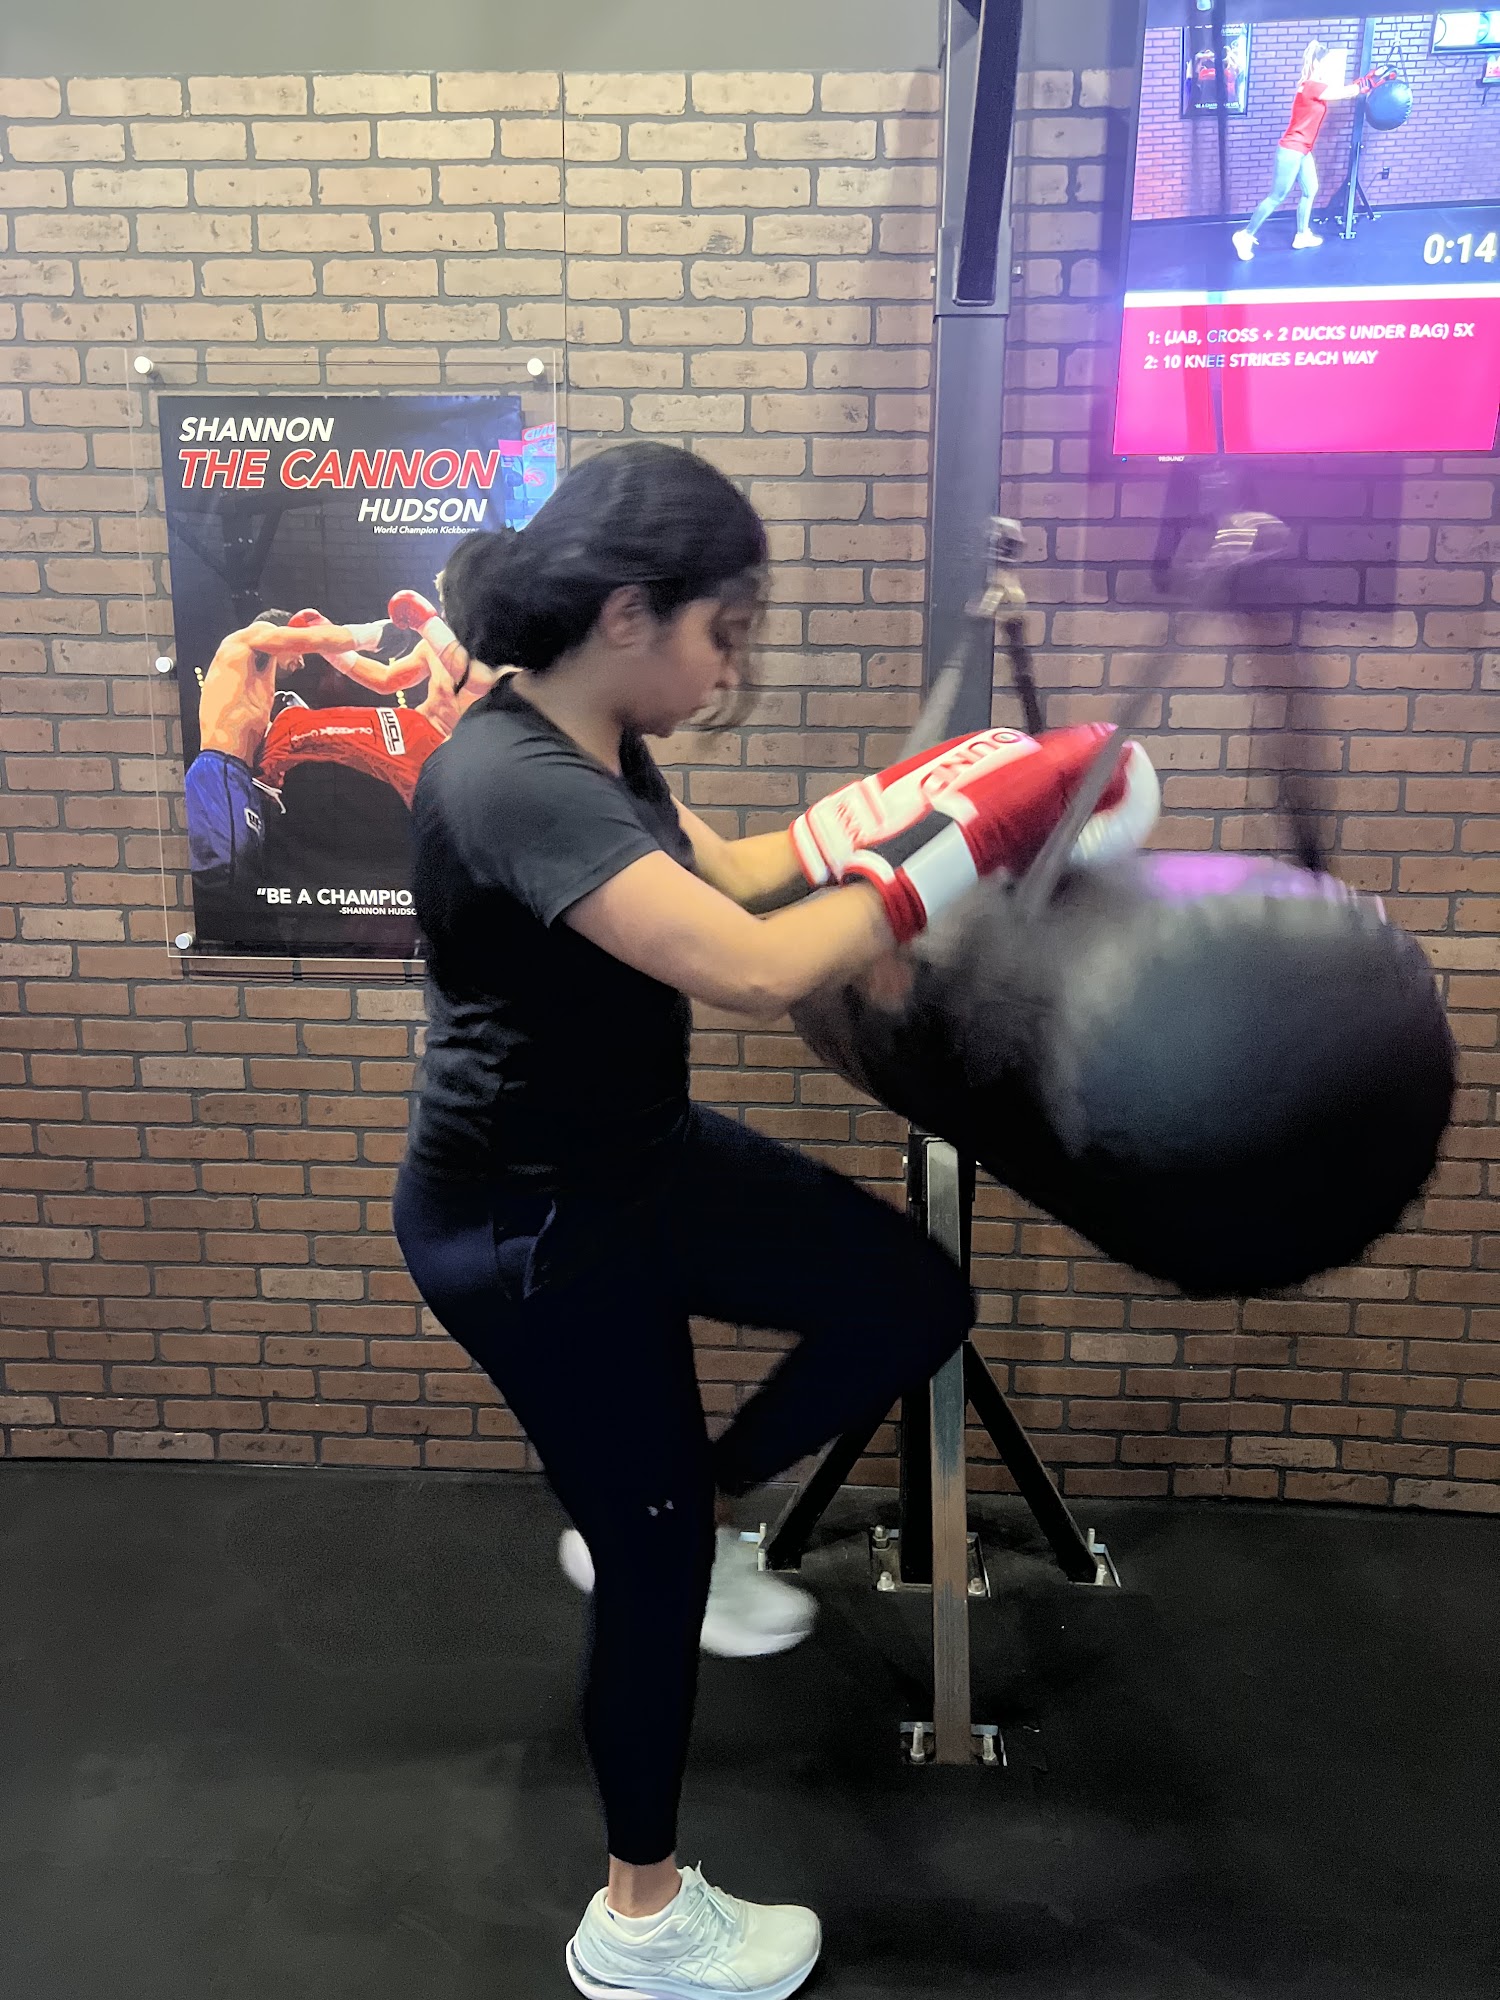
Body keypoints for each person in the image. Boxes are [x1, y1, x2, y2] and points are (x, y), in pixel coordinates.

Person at [390, 441, 1156, 2000]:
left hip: (636, 1162)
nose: (732, 665)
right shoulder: (510, 777)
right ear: (628, 612)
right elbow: (748, 967)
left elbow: (737, 873)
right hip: (531, 1228)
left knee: (909, 1295)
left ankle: (707, 1494)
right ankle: (640, 1920)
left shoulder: (593, 739)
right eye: (721, 630)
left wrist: (904, 807)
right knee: (654, 1563)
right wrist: (966, 841)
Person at [185, 608, 405, 893]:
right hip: (221, 771)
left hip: (239, 778)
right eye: (299, 651)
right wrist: (374, 635)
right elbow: (312, 639)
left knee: (246, 878)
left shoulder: (254, 682)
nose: (301, 662)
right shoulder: (251, 636)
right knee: (225, 874)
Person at [1232, 42, 1391, 260]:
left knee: (1311, 189)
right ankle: (1245, 235)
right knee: (1277, 196)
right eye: (1325, 63)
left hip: (1303, 150)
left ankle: (1302, 235)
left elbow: (1344, 91)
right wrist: (1370, 82)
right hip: (1291, 149)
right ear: (1317, 63)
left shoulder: (1314, 86)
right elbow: (1346, 93)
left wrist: (1367, 79)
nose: (1327, 68)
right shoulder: (1312, 86)